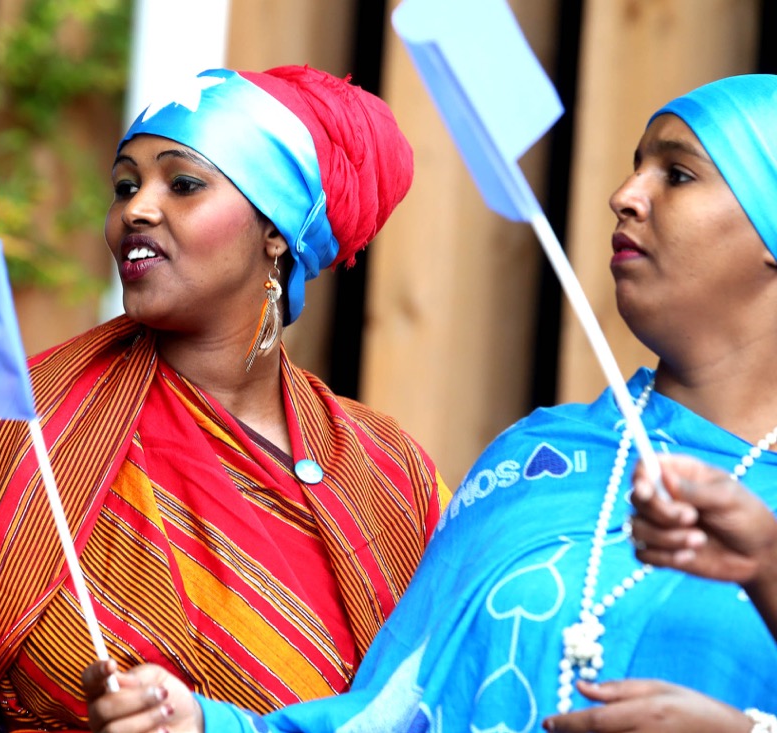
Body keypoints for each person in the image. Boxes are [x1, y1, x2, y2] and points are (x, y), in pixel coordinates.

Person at [82, 73, 777, 733]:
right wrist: (206, 721)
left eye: (677, 173)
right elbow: (393, 709)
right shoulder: (541, 458)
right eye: (636, 166)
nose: (624, 194)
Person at [0, 65, 448, 732]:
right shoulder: (15, 421)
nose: (137, 208)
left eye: (182, 183)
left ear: (276, 232)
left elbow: (447, 702)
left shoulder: (390, 473)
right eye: (126, 184)